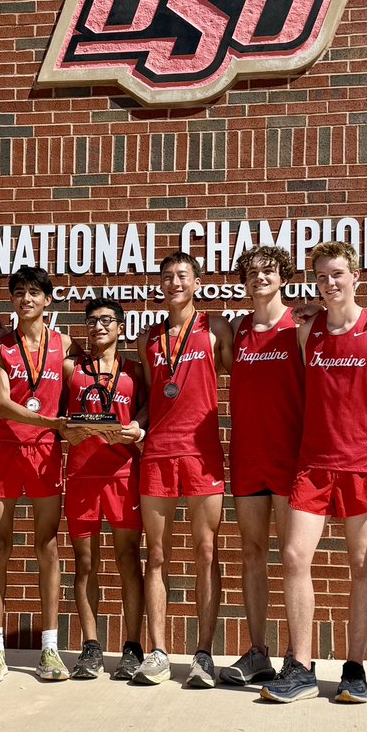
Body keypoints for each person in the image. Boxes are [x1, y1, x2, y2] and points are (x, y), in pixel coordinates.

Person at [260, 241, 367, 703]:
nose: (330, 283)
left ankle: (355, 669)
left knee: (362, 566)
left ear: (356, 277)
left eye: (338, 274)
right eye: (323, 276)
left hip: (362, 464)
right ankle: (302, 668)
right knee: (293, 556)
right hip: (314, 464)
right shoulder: (308, 333)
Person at [133, 251, 233, 687]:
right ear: (161, 284)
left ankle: (204, 654)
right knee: (155, 554)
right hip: (157, 453)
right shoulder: (148, 338)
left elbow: (236, 371)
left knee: (205, 551)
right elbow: (157, 396)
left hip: (201, 453)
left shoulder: (217, 329)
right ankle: (158, 652)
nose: (175, 282)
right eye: (168, 276)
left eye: (183, 276)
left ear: (197, 283)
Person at [0, 266, 72, 683]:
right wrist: (53, 423)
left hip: (45, 456)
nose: (26, 300)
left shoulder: (64, 344)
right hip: (4, 452)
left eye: (34, 293)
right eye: (18, 293)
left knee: (47, 546)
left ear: (48, 300)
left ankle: (49, 649)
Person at [220, 245, 303, 686]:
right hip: (248, 458)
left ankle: (296, 655)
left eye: (268, 271)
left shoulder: (302, 325)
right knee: (252, 554)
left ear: (283, 277)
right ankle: (258, 652)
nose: (259, 278)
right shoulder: (237, 330)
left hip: (291, 459)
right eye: (251, 273)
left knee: (293, 559)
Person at [59, 299, 146, 680]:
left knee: (128, 559)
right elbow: (58, 417)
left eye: (107, 320)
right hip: (81, 475)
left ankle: (132, 646)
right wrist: (65, 427)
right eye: (92, 321)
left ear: (121, 328)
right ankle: (91, 647)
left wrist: (137, 427)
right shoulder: (71, 369)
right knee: (85, 563)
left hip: (123, 474)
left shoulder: (136, 372)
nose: (98, 327)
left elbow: (148, 413)